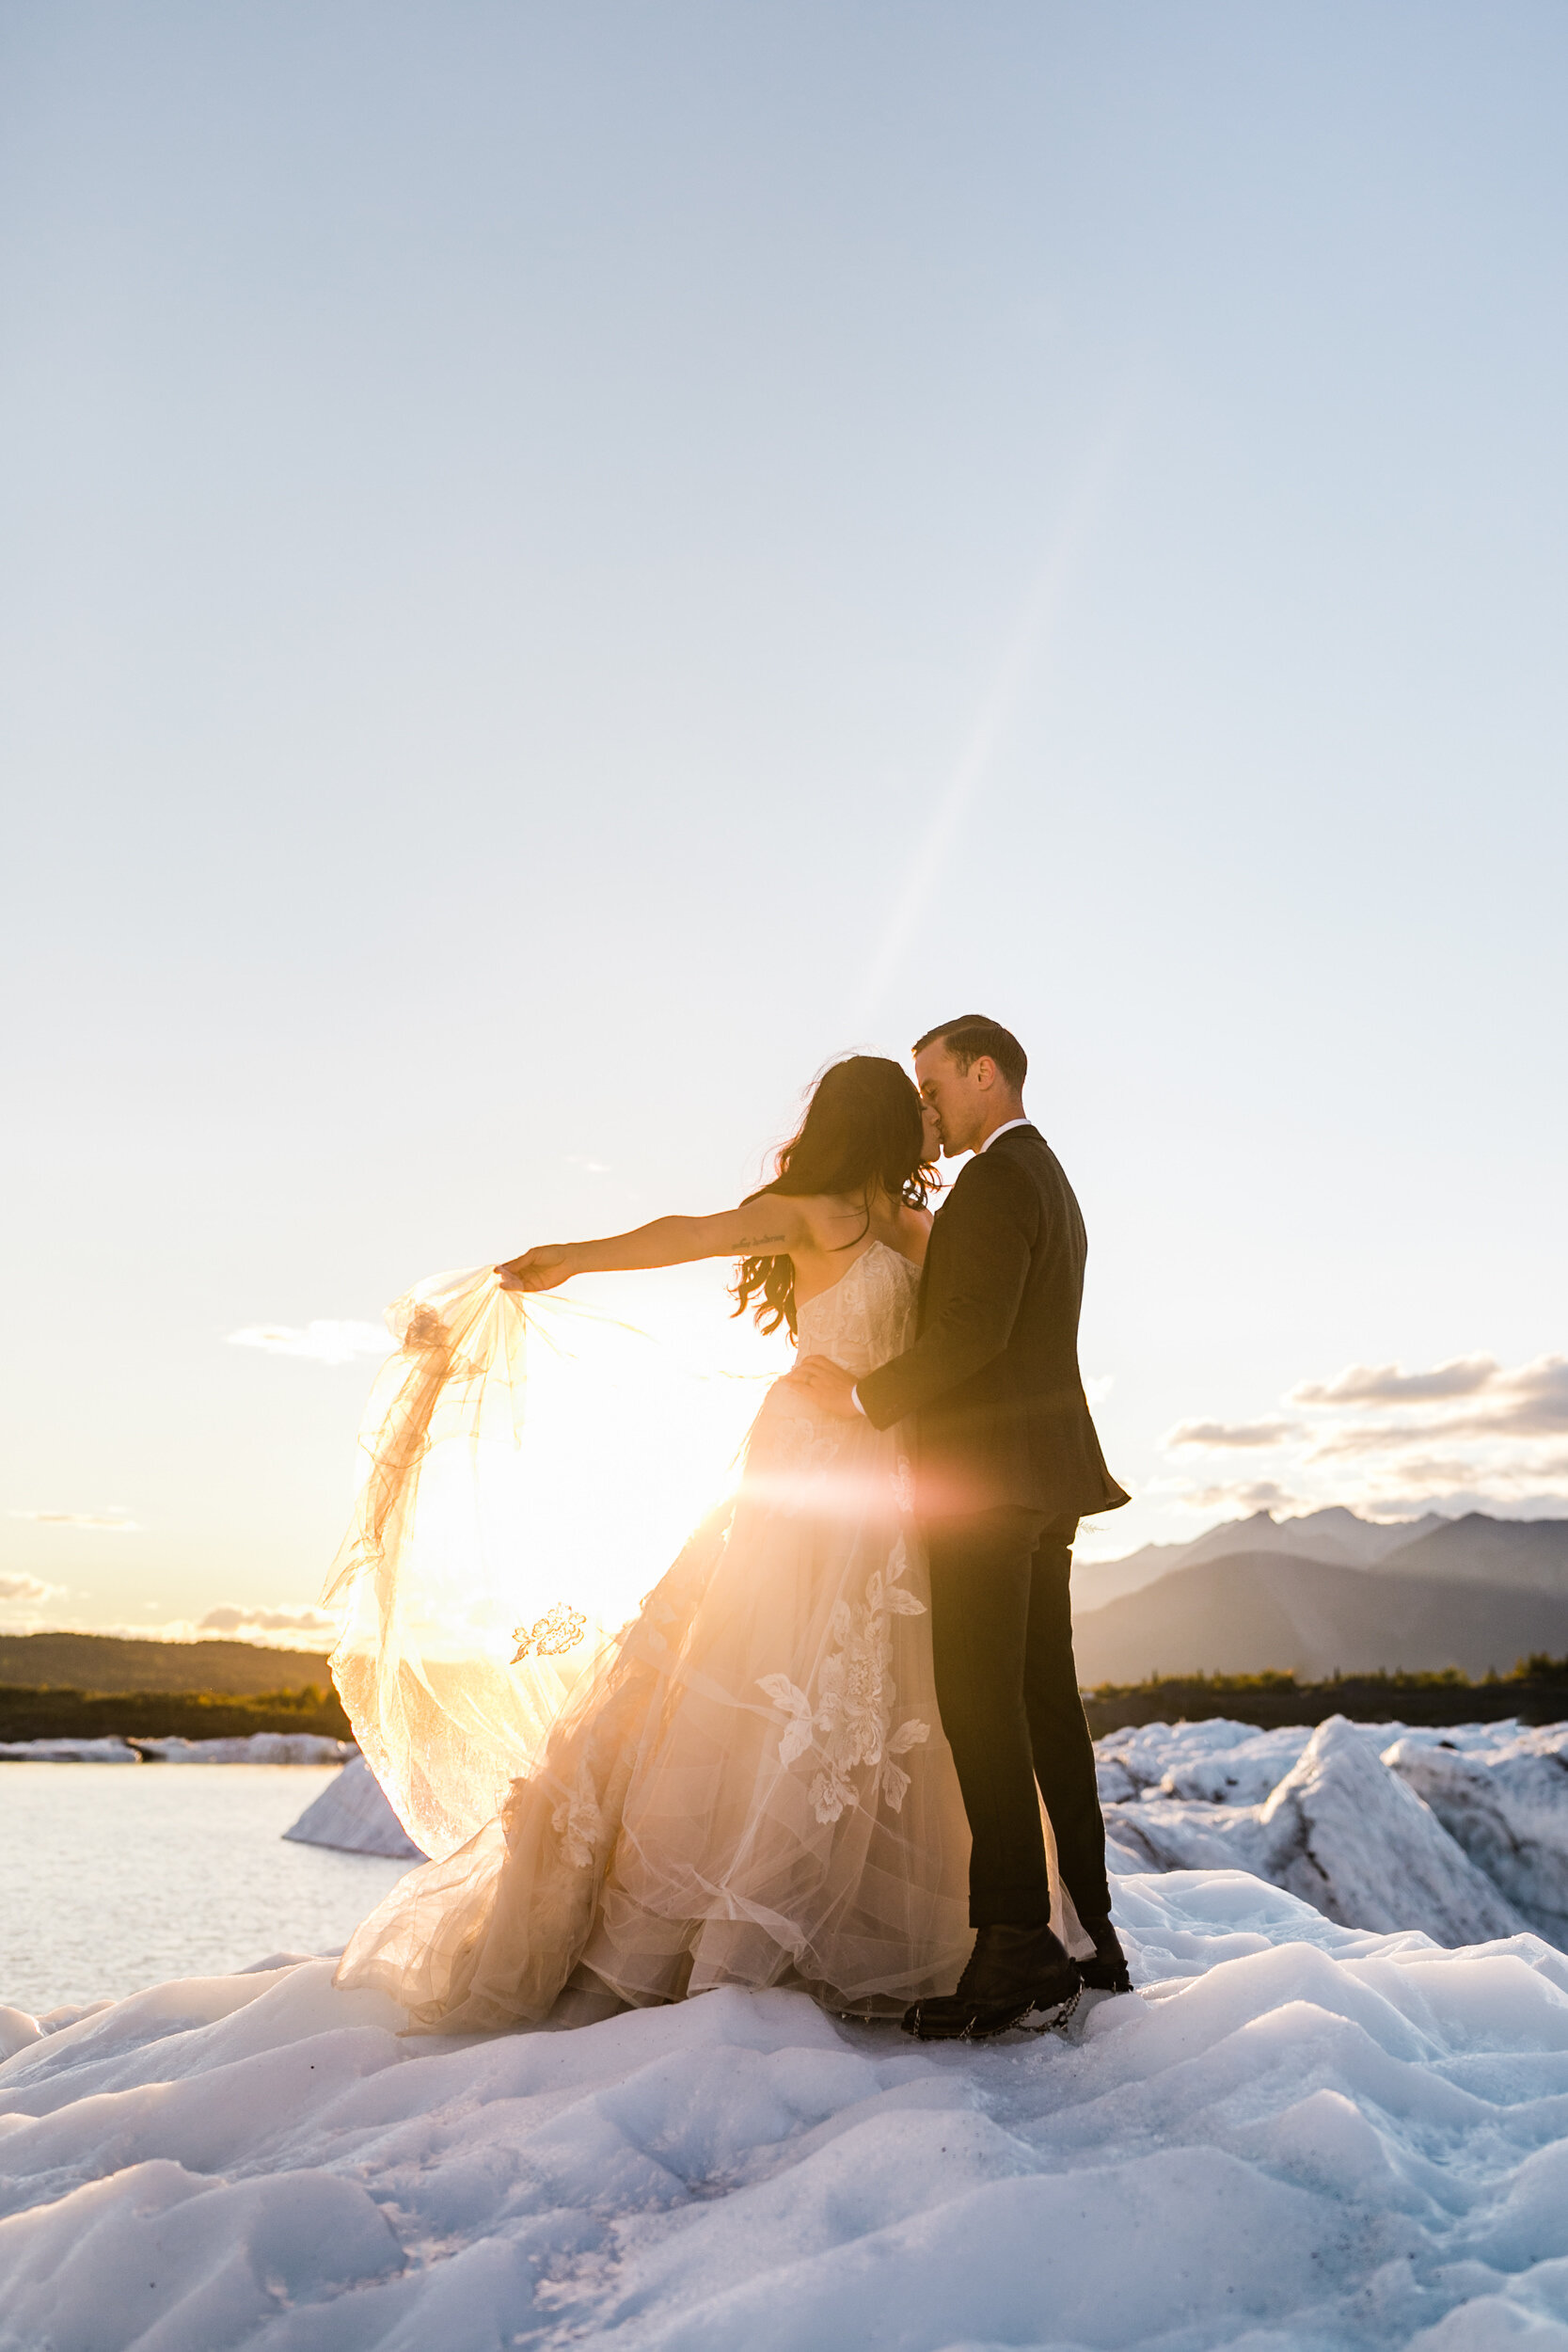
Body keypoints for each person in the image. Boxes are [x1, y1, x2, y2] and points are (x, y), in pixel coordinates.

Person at [335, 1055, 976, 2029]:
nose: (929, 1123)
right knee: (757, 1666)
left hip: (887, 1469)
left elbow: (960, 1342)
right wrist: (575, 1254)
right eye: (916, 1110)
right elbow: (687, 1233)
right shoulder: (812, 1213)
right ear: (886, 1120)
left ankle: (853, 1922)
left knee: (876, 1691)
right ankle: (711, 1920)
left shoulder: (920, 1227)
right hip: (802, 1461)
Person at [792, 1015, 1131, 2038]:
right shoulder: (1050, 1179)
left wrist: (855, 1401)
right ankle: (1091, 1932)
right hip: (1046, 1483)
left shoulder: (990, 1181)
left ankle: (1013, 1948)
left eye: (932, 1083)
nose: (923, 1104)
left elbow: (971, 1335)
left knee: (979, 1711)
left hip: (984, 1485)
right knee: (1043, 1709)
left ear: (984, 1073)